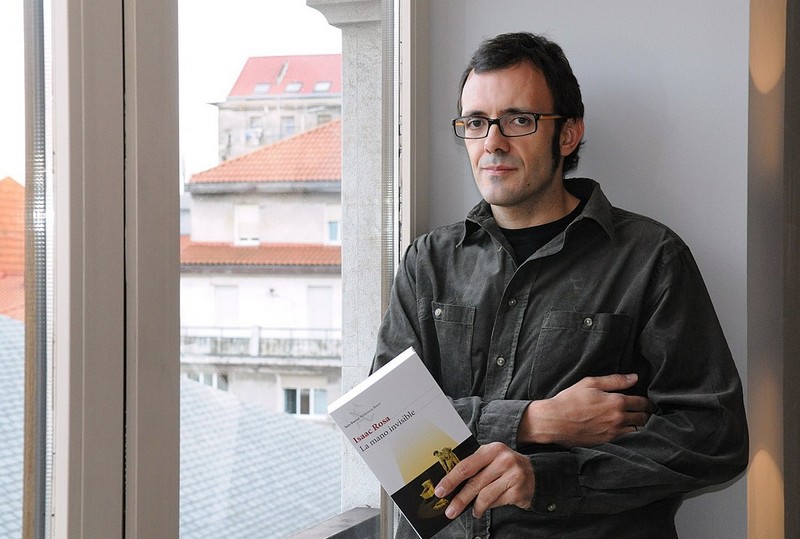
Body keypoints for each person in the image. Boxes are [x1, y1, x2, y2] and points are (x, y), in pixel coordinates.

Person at [371, 31, 748, 538]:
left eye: (518, 120)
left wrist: (548, 479)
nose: (492, 142)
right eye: (476, 122)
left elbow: (715, 435)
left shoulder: (651, 258)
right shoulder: (428, 262)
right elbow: (383, 423)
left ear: (568, 135)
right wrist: (534, 421)